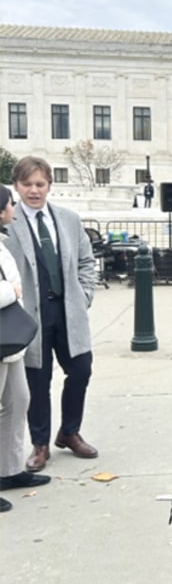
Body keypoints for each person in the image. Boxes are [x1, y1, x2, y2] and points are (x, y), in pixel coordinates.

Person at [6, 157, 98, 472]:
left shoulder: (69, 219)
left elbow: (87, 261)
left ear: (49, 186)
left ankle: (69, 431)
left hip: (68, 309)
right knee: (37, 380)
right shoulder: (8, 222)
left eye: (40, 184)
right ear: (16, 186)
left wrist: (84, 295)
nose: (34, 190)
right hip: (30, 315)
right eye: (27, 184)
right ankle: (41, 443)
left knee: (81, 370)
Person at [0, 186, 52, 511]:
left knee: (19, 400)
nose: (13, 209)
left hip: (10, 338)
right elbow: (11, 288)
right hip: (3, 334)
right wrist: (12, 290)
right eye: (9, 204)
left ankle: (9, 469)